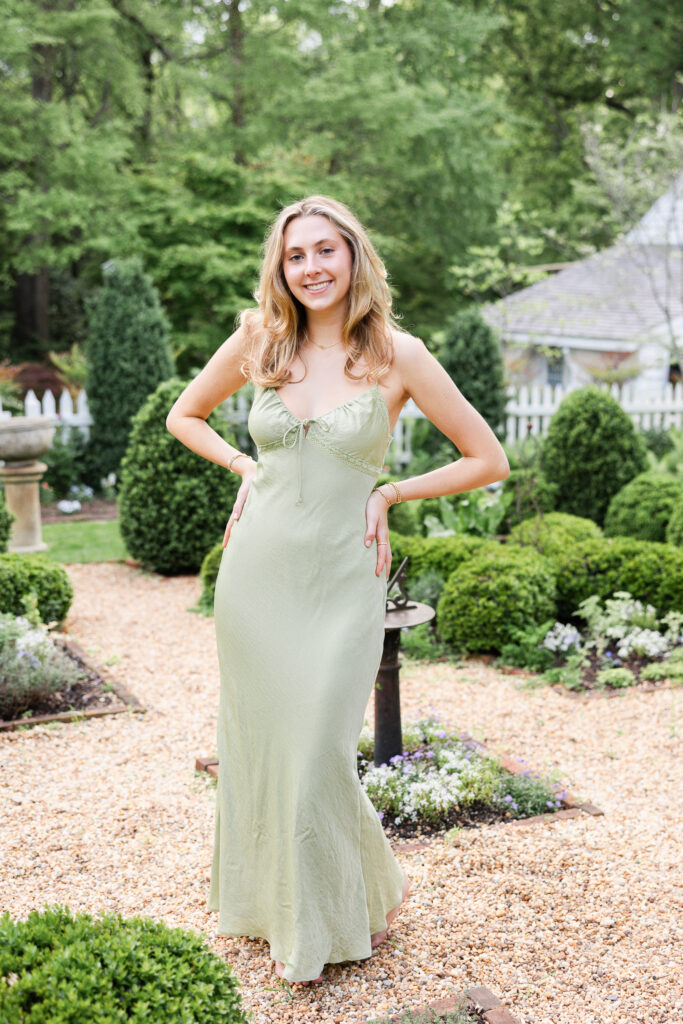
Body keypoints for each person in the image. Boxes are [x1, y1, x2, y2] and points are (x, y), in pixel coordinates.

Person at [165, 194, 509, 986]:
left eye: (325, 250)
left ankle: (337, 907)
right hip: (256, 574)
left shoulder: (398, 354)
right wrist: (244, 465)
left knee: (319, 748)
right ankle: (285, 914)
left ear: (353, 256)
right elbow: (188, 415)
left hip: (343, 575)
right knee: (264, 747)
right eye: (295, 255)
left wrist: (389, 492)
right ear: (280, 268)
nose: (311, 267)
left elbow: (486, 458)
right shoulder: (262, 337)